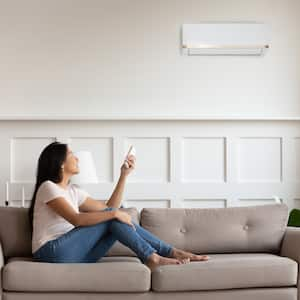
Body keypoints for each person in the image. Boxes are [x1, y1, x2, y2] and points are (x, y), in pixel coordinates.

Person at [29, 141, 210, 271]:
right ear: (60, 163)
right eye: (71, 154)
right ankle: (155, 256)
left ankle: (169, 252)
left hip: (78, 255)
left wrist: (124, 175)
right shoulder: (48, 188)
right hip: (51, 252)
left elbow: (110, 208)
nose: (77, 158)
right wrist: (113, 214)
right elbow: (76, 219)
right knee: (112, 216)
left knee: (112, 217)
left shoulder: (74, 191)